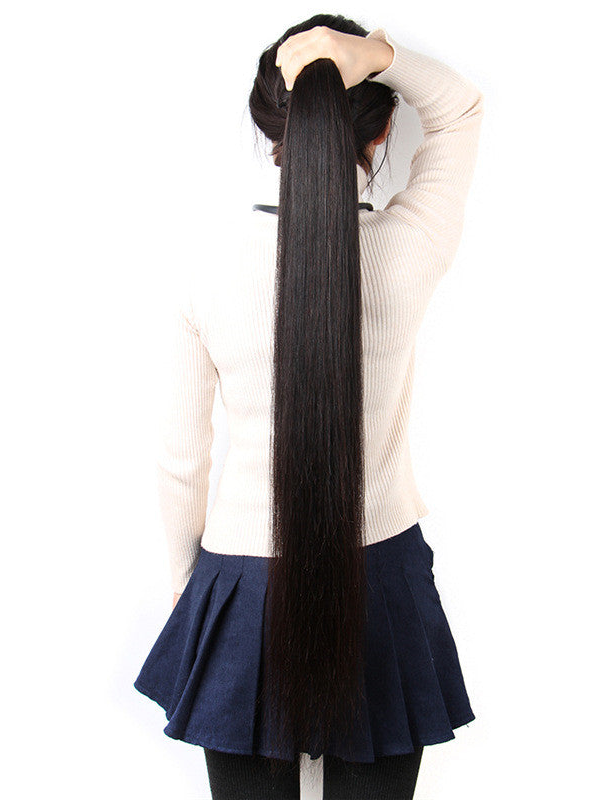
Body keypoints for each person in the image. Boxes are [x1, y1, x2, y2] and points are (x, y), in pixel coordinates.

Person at [134, 13, 485, 800]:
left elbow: (179, 461)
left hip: (240, 584)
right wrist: (376, 55)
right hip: (382, 574)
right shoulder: (409, 249)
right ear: (383, 127)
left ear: (268, 126)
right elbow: (460, 108)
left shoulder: (206, 268)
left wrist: (193, 591)